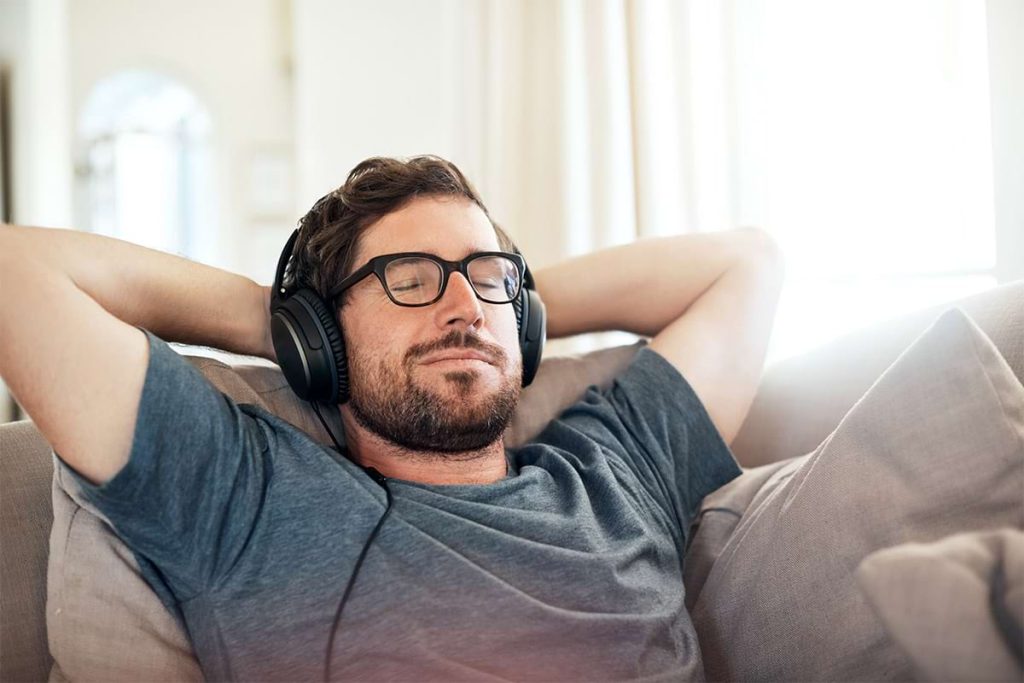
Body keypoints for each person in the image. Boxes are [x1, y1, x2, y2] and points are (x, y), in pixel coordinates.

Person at [0, 155, 785, 681]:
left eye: (487, 278)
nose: (463, 305)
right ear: (322, 338)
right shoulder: (251, 496)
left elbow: (746, 262)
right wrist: (277, 323)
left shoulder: (619, 465)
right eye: (410, 278)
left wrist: (516, 308)